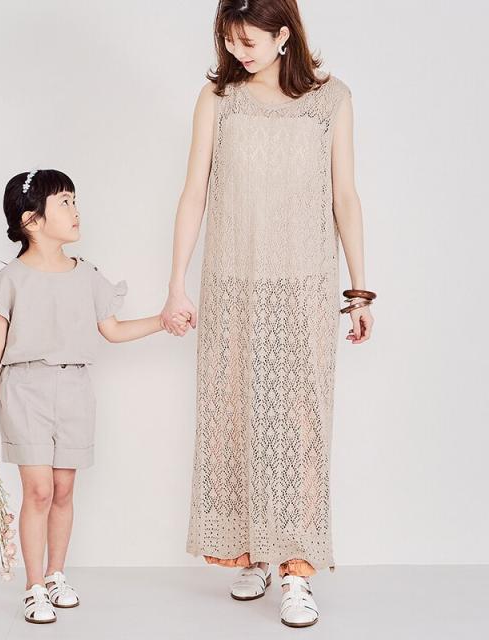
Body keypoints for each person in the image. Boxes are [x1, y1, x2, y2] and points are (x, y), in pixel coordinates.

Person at [159, 0, 376, 628]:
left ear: (284, 35)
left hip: (304, 286)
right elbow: (194, 192)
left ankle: (297, 570)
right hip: (231, 284)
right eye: (229, 40)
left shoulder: (330, 100)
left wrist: (360, 290)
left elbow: (345, 196)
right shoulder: (217, 99)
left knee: (300, 425)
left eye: (248, 41)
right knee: (236, 416)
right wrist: (176, 284)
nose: (237, 52)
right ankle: (254, 551)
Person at [0, 169, 189, 624]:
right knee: (39, 490)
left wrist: (162, 321)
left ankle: (56, 575)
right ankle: (33, 586)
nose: (75, 210)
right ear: (31, 220)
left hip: (75, 390)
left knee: (64, 489)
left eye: (74, 200)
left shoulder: (86, 275)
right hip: (24, 389)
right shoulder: (10, 280)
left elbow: (113, 329)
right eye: (64, 201)